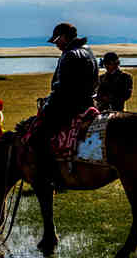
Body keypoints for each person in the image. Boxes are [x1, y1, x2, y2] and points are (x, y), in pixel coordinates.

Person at [30, 22, 98, 187]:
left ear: (65, 37)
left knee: (38, 135)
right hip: (88, 102)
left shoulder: (69, 55)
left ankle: (48, 176)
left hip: (69, 106)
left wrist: (46, 106)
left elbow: (61, 88)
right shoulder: (88, 51)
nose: (56, 45)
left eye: (57, 40)